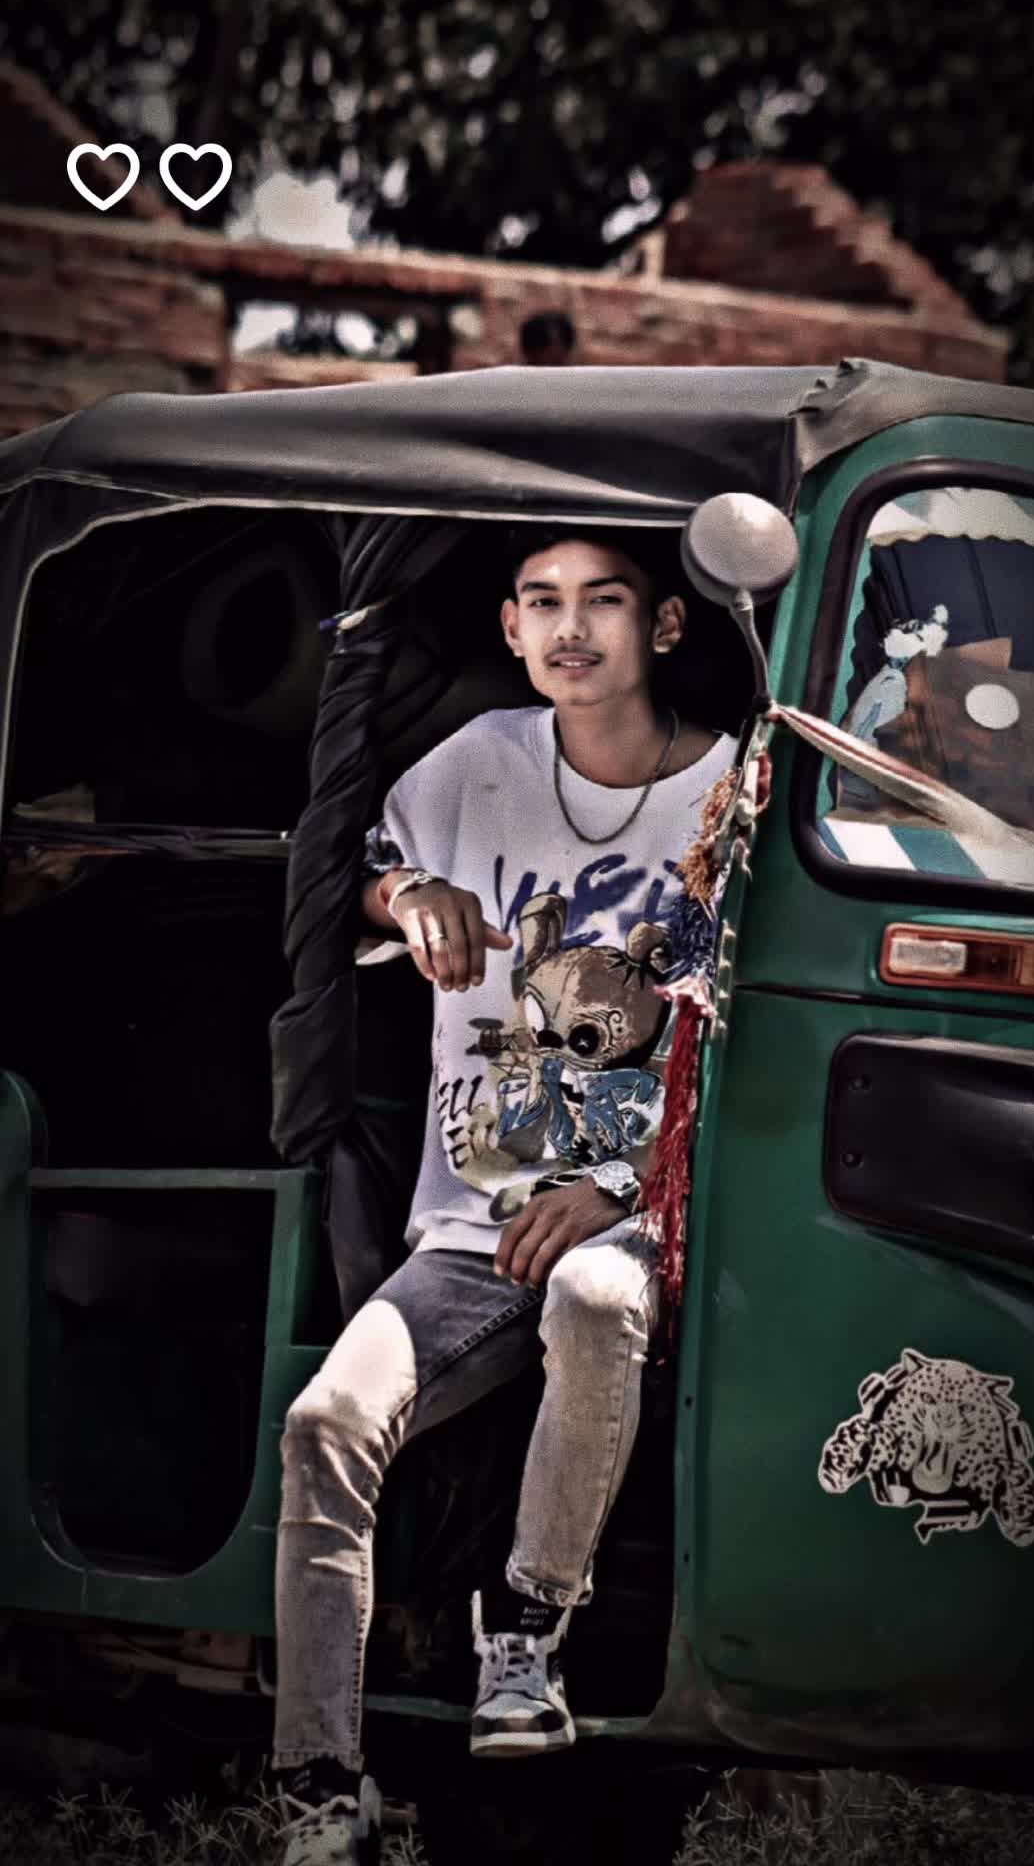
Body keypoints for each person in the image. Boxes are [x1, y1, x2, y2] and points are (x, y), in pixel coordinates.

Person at [271, 526, 737, 1864]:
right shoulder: (476, 762)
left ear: (664, 626)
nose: (570, 628)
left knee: (593, 1295)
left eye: (604, 600)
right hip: (469, 1227)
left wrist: (615, 1186)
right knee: (325, 1424)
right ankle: (318, 1791)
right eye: (543, 602)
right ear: (513, 627)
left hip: (636, 1216)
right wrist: (409, 893)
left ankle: (526, 1630)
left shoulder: (732, 793)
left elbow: (746, 1033)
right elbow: (364, 863)